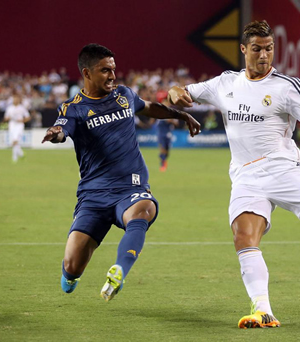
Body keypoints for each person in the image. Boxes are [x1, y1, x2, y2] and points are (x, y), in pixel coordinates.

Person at [168, 20, 300, 329]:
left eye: (269, 49)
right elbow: (180, 91)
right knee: (243, 237)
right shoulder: (225, 83)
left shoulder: (287, 87)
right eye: (256, 49)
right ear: (244, 50)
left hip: (284, 173)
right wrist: (176, 95)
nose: (264, 55)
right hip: (245, 178)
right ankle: (262, 310)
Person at [42, 44, 201, 301]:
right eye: (105, 70)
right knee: (72, 268)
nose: (112, 76)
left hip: (131, 186)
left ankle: (119, 271)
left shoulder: (124, 95)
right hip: (93, 195)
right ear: (87, 73)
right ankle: (70, 276)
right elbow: (62, 130)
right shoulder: (74, 108)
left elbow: (150, 107)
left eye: (113, 70)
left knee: (145, 209)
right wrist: (55, 135)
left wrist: (181, 115)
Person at [1, 94, 30, 162]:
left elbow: (28, 117)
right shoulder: (9, 108)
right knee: (13, 141)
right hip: (12, 124)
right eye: (14, 99)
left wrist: (22, 120)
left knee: (15, 140)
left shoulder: (22, 108)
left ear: (19, 100)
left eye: (17, 99)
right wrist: (7, 118)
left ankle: (14, 158)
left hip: (19, 125)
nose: (15, 100)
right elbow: (5, 118)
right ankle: (21, 154)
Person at [154, 92, 179, 172]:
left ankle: (164, 160)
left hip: (168, 133)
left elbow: (176, 123)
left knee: (167, 150)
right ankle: (162, 163)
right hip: (161, 133)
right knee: (162, 148)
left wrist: (171, 120)